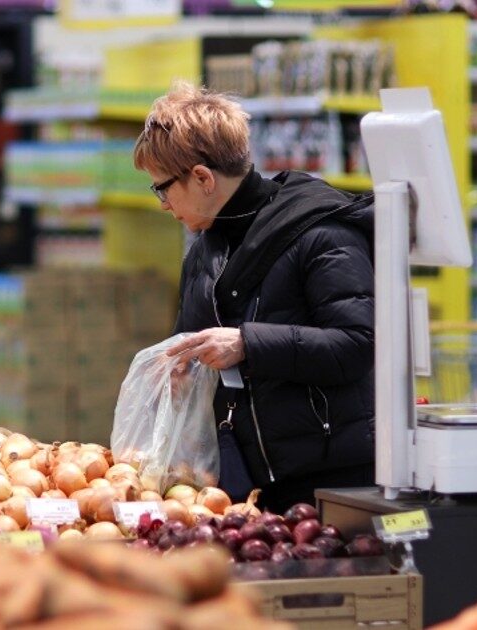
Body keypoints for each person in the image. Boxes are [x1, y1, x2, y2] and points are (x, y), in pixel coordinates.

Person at [133, 82, 376, 513]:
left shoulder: (319, 231)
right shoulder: (207, 248)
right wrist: (178, 368)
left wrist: (246, 343)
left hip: (330, 482)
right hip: (245, 481)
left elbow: (357, 344)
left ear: (203, 178)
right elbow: (193, 340)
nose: (163, 205)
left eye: (162, 188)